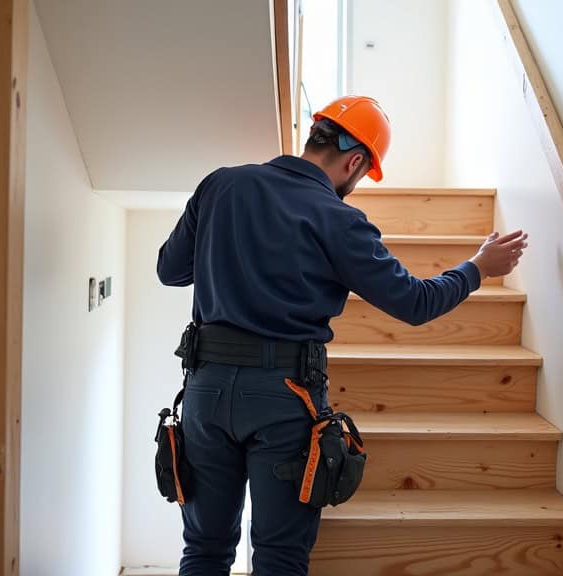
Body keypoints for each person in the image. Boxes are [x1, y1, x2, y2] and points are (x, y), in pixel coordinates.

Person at [156, 95, 528, 575]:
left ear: (316, 135)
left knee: (204, 550)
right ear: (355, 162)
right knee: (279, 556)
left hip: (205, 391)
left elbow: (170, 270)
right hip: (284, 397)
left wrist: (226, 253)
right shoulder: (338, 219)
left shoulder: (221, 184)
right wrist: (478, 268)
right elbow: (415, 303)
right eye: (363, 173)